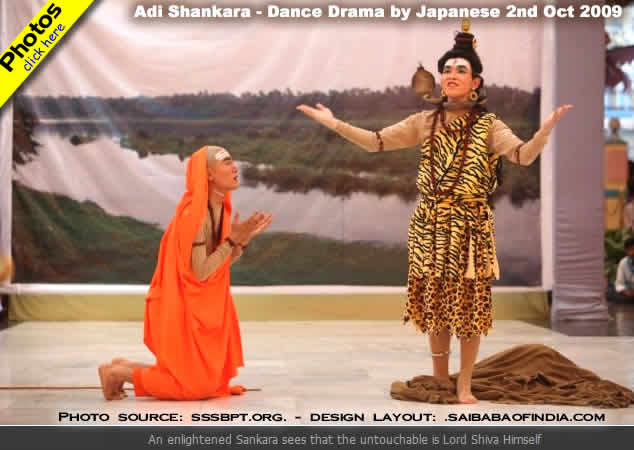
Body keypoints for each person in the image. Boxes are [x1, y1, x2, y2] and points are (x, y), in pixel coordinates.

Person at [297, 20, 572, 404]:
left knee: (470, 306)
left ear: (476, 81)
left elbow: (523, 156)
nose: (451, 74)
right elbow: (375, 142)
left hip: (470, 225)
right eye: (446, 69)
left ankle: (465, 384)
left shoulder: (489, 125)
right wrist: (334, 124)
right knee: (436, 304)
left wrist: (544, 132)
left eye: (461, 69)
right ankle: (441, 379)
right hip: (431, 224)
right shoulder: (425, 121)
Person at [98, 145, 272, 400]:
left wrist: (241, 242)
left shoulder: (220, 209)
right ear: (208, 174)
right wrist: (232, 241)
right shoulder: (196, 215)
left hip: (202, 306)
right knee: (192, 388)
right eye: (226, 162)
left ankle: (122, 366)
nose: (235, 167)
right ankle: (117, 373)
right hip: (180, 305)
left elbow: (218, 265)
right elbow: (200, 272)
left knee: (208, 383)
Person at [613, 237, 634, 302]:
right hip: (629, 293)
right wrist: (625, 291)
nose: (633, 252)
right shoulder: (623, 262)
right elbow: (619, 283)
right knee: (610, 292)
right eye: (630, 250)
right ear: (626, 251)